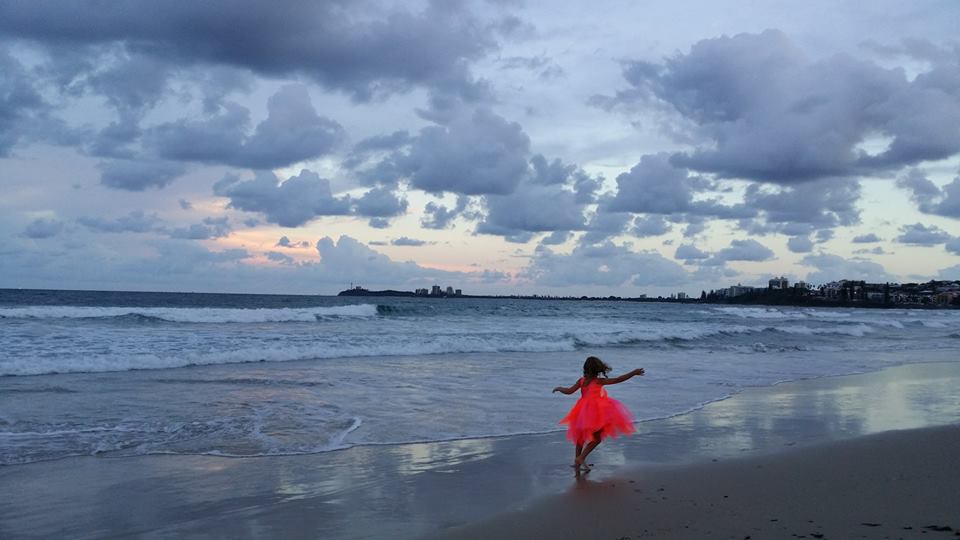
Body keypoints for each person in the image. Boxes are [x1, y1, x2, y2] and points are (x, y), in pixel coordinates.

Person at [553, 356, 645, 471]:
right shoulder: (598, 381)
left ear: (585, 369)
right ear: (597, 369)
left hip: (581, 411)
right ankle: (581, 458)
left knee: (580, 438)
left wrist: (560, 388)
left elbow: (569, 391)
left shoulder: (581, 381)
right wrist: (633, 373)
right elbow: (618, 379)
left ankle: (577, 462)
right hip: (595, 411)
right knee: (597, 438)